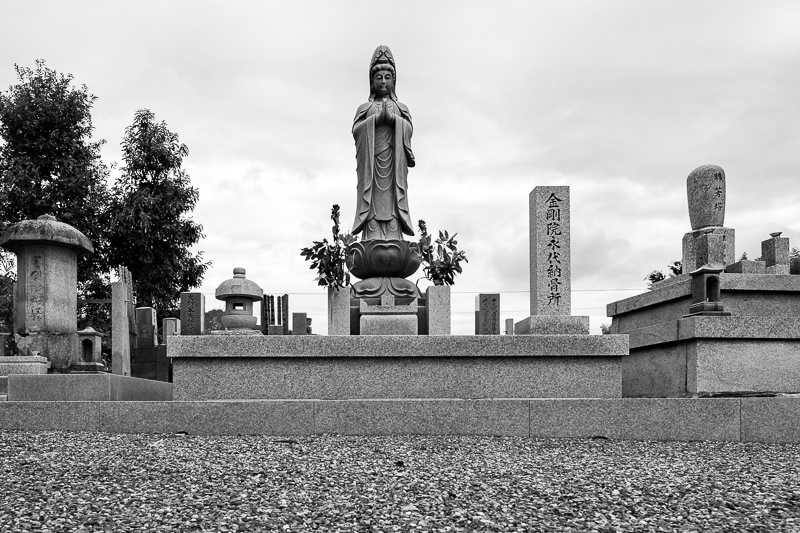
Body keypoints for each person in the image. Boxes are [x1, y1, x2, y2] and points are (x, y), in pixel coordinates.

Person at [351, 45, 415, 241]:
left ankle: (394, 234)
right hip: (371, 169)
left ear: (394, 81)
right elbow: (356, 131)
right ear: (372, 82)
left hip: (394, 169)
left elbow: (409, 129)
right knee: (372, 210)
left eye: (388, 77)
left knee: (393, 208)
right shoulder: (365, 108)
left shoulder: (400, 107)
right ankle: (371, 233)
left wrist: (395, 120)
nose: (383, 81)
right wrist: (376, 120)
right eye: (379, 77)